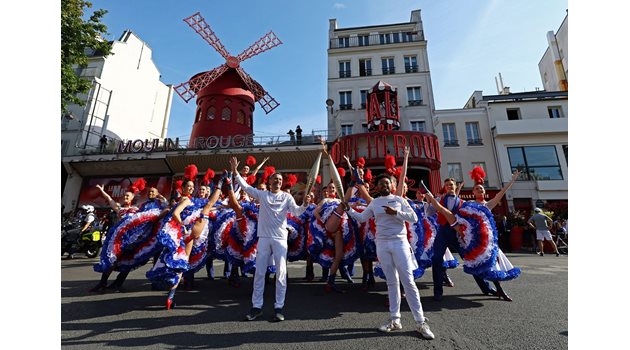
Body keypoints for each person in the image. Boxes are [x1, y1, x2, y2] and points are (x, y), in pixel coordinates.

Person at [344, 174, 434, 340]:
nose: (384, 185)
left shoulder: (399, 200)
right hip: (382, 244)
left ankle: (421, 322)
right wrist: (348, 210)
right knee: (391, 282)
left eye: (387, 182)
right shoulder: (375, 202)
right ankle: (395, 319)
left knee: (408, 281)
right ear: (377, 187)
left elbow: (414, 218)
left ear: (391, 185)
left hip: (400, 243)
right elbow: (362, 218)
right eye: (380, 183)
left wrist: (396, 213)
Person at [230, 156, 312, 322]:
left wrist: (304, 204)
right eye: (275, 179)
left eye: (280, 180)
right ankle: (256, 307)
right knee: (260, 273)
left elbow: (296, 212)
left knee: (281, 273)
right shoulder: (262, 195)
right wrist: (235, 172)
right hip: (264, 238)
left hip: (280, 239)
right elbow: (245, 187)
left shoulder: (287, 197)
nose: (278, 181)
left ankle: (279, 307)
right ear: (269, 181)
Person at [428, 178, 497, 301]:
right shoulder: (439, 199)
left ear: (455, 186)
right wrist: (429, 202)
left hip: (458, 234)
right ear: (445, 186)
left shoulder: (462, 202)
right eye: (447, 185)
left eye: (451, 184)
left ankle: (486, 287)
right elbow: (429, 212)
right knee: (436, 259)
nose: (449, 186)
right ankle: (437, 292)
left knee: (471, 258)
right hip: (442, 232)